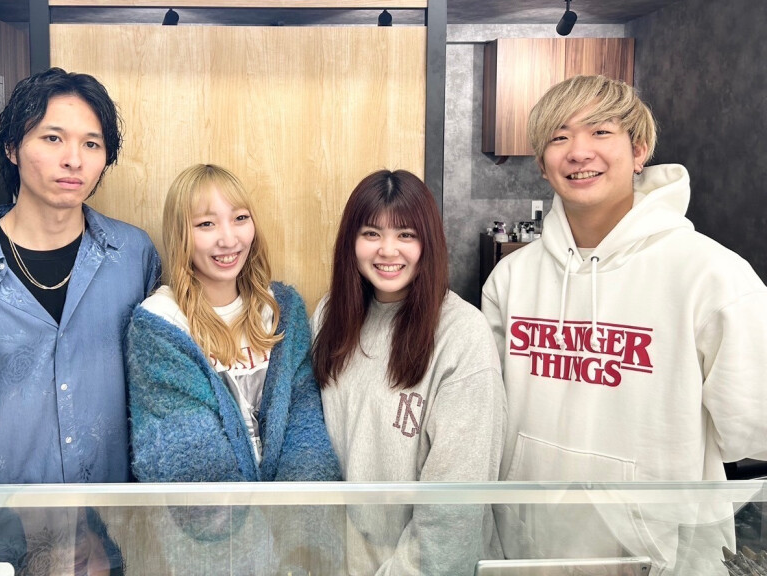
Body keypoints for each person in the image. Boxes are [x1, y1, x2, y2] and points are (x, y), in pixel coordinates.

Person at [482, 74, 767, 573]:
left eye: (600, 131)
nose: (579, 152)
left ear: (639, 151)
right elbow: (489, 416)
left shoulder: (712, 276)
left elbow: (754, 429)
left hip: (661, 557)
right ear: (542, 165)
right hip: (527, 549)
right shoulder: (511, 279)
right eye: (559, 137)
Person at [0, 67, 160, 571]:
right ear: (12, 148)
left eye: (92, 144)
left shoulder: (134, 257)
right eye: (52, 138)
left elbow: (150, 387)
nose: (74, 159)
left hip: (109, 531)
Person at [310, 169, 507, 576]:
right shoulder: (330, 316)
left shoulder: (462, 334)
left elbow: (453, 510)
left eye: (406, 234)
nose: (387, 250)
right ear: (351, 242)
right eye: (371, 233)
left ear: (428, 242)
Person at [127, 163, 339, 482]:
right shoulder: (161, 323)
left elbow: (304, 422)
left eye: (240, 218)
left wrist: (297, 508)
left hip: (288, 509)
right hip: (213, 511)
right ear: (180, 234)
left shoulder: (281, 310)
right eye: (206, 224)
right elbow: (186, 454)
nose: (228, 239)